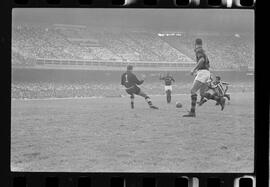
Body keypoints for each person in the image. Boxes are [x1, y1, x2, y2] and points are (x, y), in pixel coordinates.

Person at [183, 38, 225, 117]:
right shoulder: (203, 51)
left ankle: (192, 112)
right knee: (202, 93)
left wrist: (194, 69)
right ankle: (219, 99)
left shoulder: (198, 50)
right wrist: (199, 71)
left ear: (195, 43)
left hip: (203, 73)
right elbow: (206, 63)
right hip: (206, 73)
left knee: (193, 91)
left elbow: (201, 60)